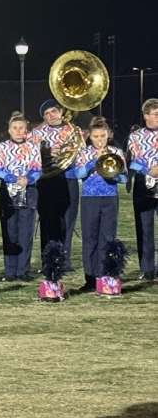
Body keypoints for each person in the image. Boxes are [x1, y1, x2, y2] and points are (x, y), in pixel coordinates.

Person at [73, 117, 128, 290]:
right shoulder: (84, 153)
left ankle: (106, 275)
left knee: (108, 238)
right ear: (90, 137)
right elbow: (78, 174)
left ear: (108, 135)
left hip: (110, 198)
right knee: (90, 238)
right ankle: (90, 278)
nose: (99, 139)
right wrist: (92, 162)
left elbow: (124, 177)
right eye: (96, 136)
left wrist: (116, 175)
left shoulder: (116, 152)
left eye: (102, 136)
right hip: (90, 199)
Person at [0, 112, 42, 281]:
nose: (18, 131)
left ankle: (23, 270)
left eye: (21, 128)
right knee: (9, 232)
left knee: (25, 232)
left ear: (26, 129)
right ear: (9, 129)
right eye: (15, 128)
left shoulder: (33, 147)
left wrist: (28, 179)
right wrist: (13, 178)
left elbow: (38, 169)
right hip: (8, 192)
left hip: (28, 191)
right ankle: (10, 271)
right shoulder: (2, 147)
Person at [33, 99, 81, 271]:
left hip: (69, 178)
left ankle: (64, 260)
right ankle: (47, 260)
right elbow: (31, 157)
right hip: (46, 180)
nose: (50, 115)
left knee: (68, 220)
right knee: (47, 220)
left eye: (53, 111)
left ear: (60, 111)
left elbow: (80, 153)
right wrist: (45, 153)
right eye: (46, 114)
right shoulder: (37, 132)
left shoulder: (74, 130)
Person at [126, 99, 158, 281]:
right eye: (155, 113)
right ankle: (147, 269)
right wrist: (150, 171)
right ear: (146, 116)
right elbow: (135, 160)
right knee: (144, 227)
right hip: (143, 183)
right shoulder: (136, 136)